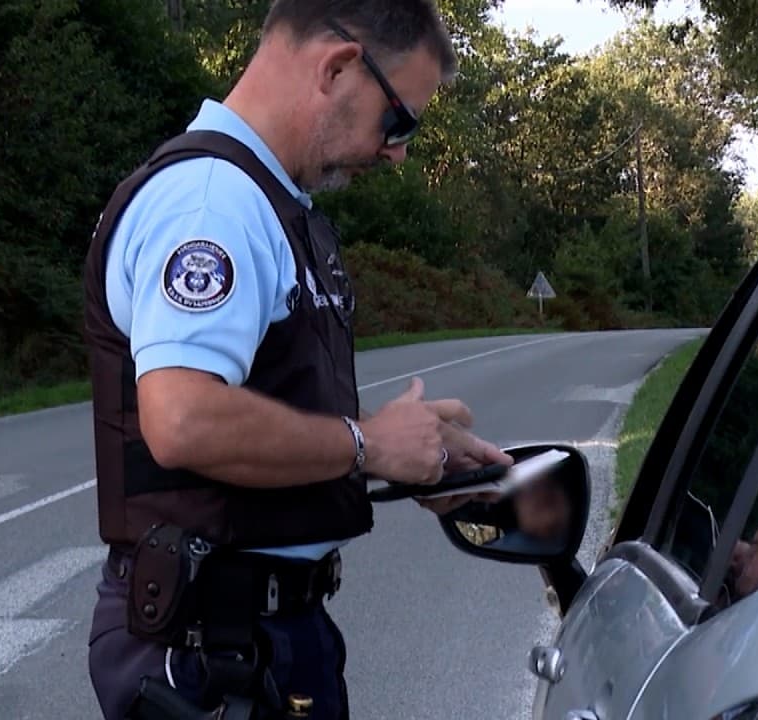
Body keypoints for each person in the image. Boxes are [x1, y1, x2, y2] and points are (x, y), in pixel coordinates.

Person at [79, 2, 511, 718]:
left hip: (256, 641)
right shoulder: (211, 203)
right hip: (211, 654)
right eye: (397, 120)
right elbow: (184, 420)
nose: (397, 152)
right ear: (339, 68)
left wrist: (405, 452)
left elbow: (266, 412)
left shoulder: (267, 202)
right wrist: (367, 444)